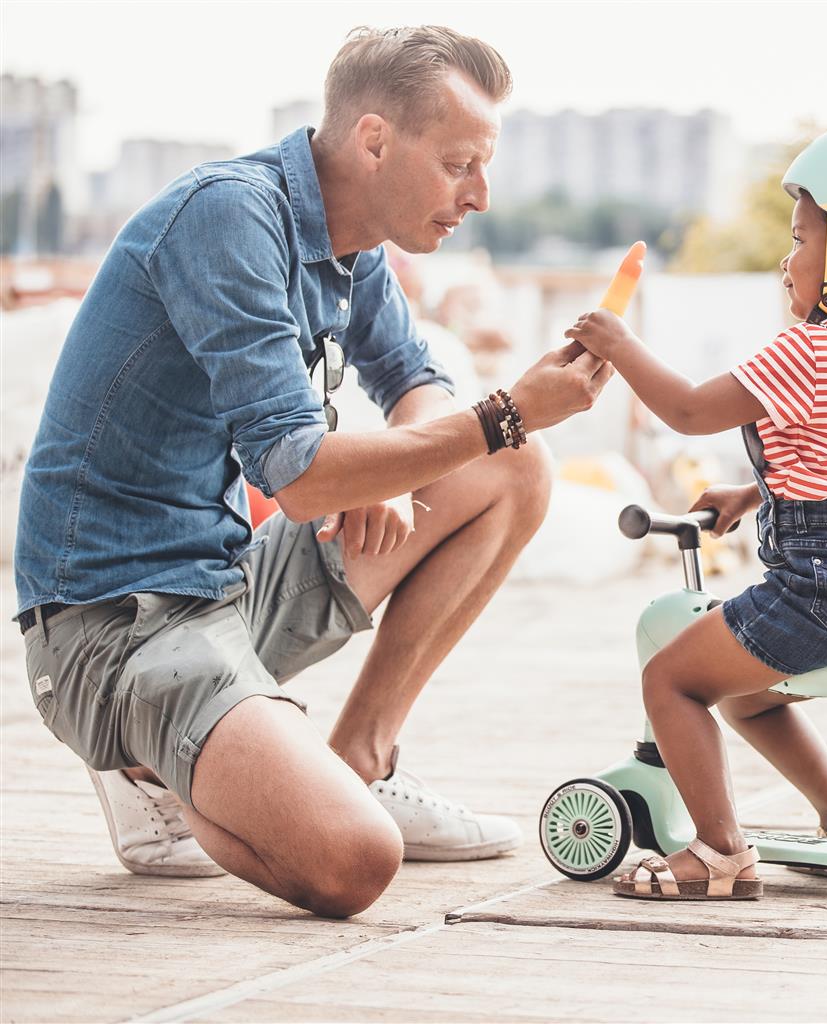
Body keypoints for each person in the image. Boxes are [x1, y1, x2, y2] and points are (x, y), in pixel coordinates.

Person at [15, 25, 613, 917]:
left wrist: (403, 474)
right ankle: (147, 766)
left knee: (515, 467)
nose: (480, 195)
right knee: (352, 863)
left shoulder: (350, 242)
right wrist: (505, 411)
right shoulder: (229, 217)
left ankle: (360, 762)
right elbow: (296, 475)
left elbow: (418, 382)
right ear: (375, 141)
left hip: (224, 585)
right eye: (459, 164)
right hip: (115, 628)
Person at [565, 122, 827, 900]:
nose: (785, 259)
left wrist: (620, 345)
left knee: (672, 681)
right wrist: (753, 491)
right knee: (748, 698)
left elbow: (690, 413)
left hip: (816, 596)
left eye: (800, 238)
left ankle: (720, 852)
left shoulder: (806, 349)